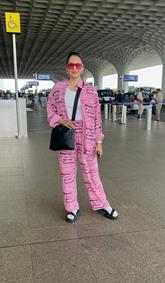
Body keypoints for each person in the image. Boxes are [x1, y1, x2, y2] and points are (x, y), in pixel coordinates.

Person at [47, 52, 119, 223]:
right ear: (67, 68)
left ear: (82, 68)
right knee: (67, 173)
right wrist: (61, 120)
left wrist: (99, 141)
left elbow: (97, 118)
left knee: (92, 172)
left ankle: (102, 204)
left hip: (87, 136)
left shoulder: (90, 91)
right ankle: (72, 208)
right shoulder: (57, 89)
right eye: (71, 65)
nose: (74, 68)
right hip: (67, 134)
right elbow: (50, 109)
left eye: (77, 65)